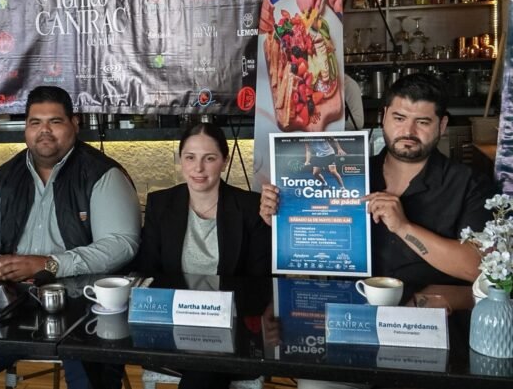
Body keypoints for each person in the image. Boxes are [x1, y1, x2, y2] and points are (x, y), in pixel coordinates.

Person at [259, 72, 496, 389]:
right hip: (348, 326)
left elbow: (479, 268)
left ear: (442, 125)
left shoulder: (468, 183)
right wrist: (284, 218)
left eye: (423, 122)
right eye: (399, 118)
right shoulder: (351, 173)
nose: (408, 131)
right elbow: (312, 253)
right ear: (383, 117)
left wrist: (405, 227)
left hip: (429, 333)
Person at [0, 85, 141, 389]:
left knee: (91, 377)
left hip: (85, 308)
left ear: (74, 124)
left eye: (55, 121)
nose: (45, 131)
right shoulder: (4, 177)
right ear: (26, 128)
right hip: (14, 305)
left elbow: (121, 244)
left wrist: (50, 264)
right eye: (35, 122)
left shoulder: (102, 174)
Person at [135, 122, 271, 389]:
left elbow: (259, 283)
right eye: (190, 158)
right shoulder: (160, 204)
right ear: (180, 160)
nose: (198, 168)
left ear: (224, 161)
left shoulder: (249, 207)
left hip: (231, 325)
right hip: (173, 322)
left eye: (209, 158)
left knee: (206, 362)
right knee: (203, 366)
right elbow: (149, 271)